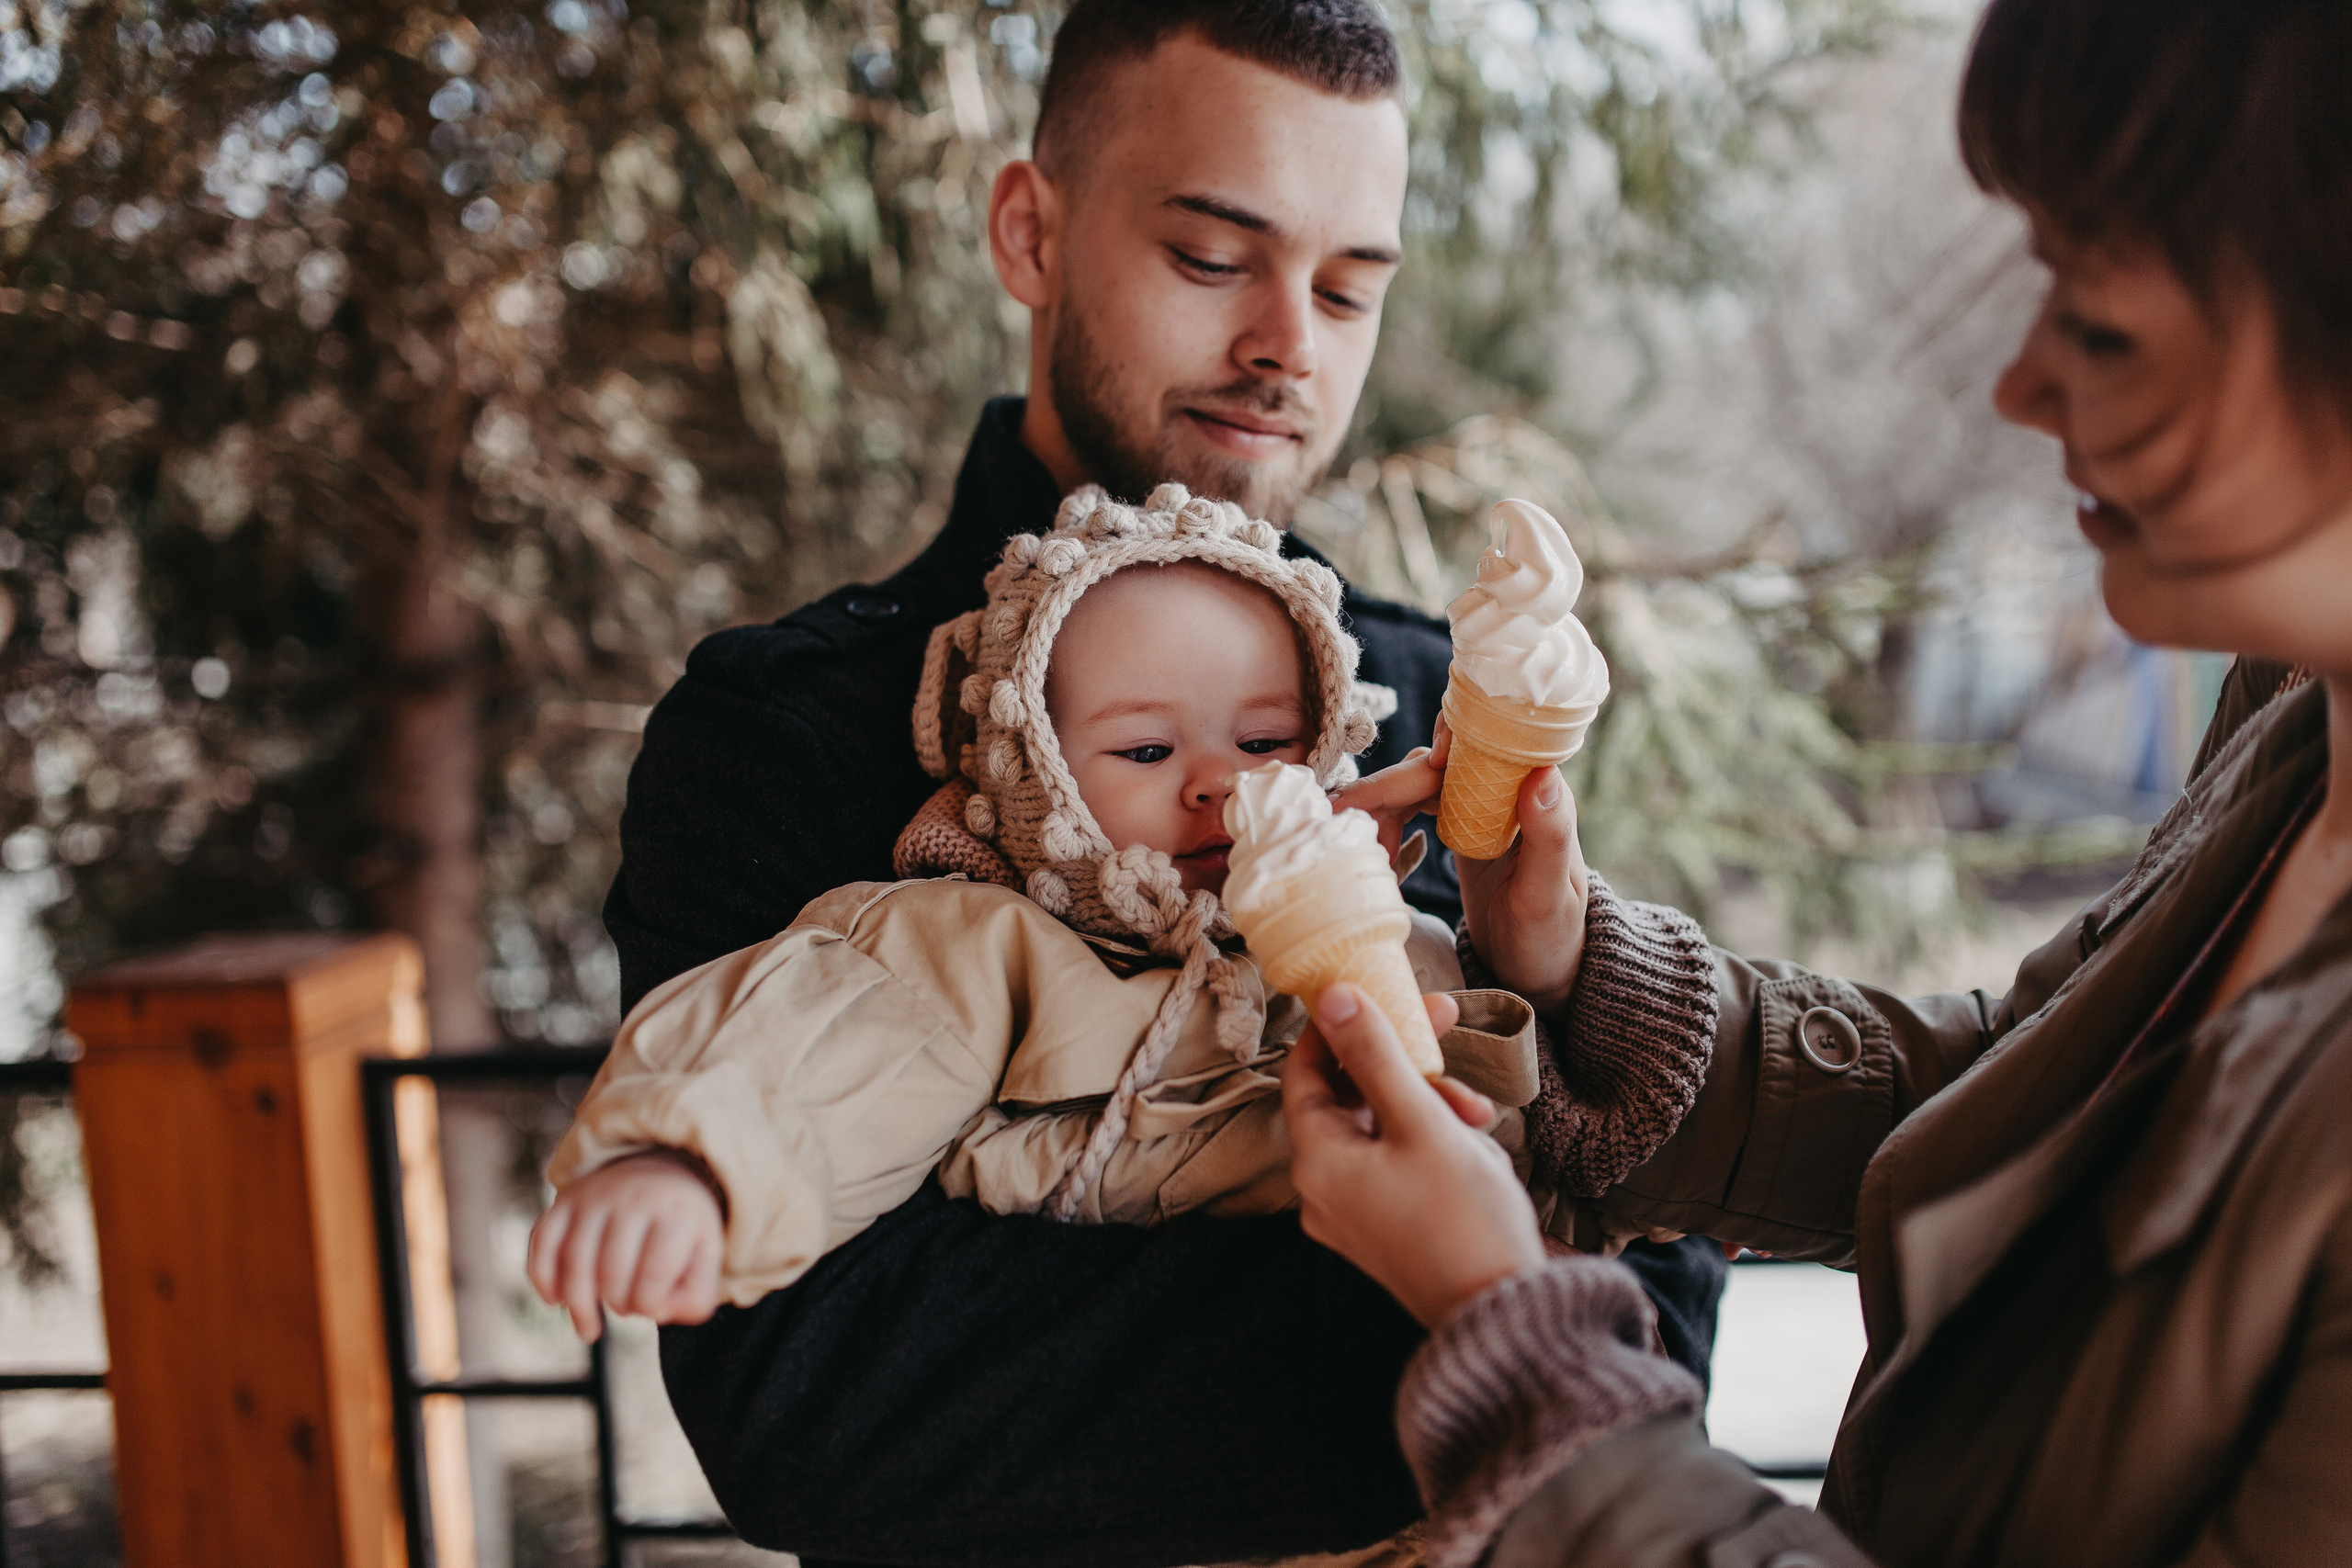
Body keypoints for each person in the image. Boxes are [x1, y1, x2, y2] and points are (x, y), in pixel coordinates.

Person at [605, 3, 1726, 1564]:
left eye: (1349, 288)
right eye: (1214, 259)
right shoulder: (789, 726)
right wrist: (1485, 1341)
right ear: (1028, 231)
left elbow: (1659, 1261)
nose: (1290, 344)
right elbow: (816, 1403)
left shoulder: (1427, 698)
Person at [1279, 1, 2352, 1563]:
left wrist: (1516, 1344)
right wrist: (1584, 971)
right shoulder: (2295, 732)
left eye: (2102, 323)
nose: (2021, 388)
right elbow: (2030, 1103)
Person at [530, 486, 1610, 1327]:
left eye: (1266, 741)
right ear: (1033, 770)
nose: (1217, 786)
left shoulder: (1402, 945)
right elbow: (815, 1058)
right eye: (1146, 749)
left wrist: (1622, 1145)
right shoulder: (981, 948)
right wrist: (688, 1166)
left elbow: (1571, 1129)